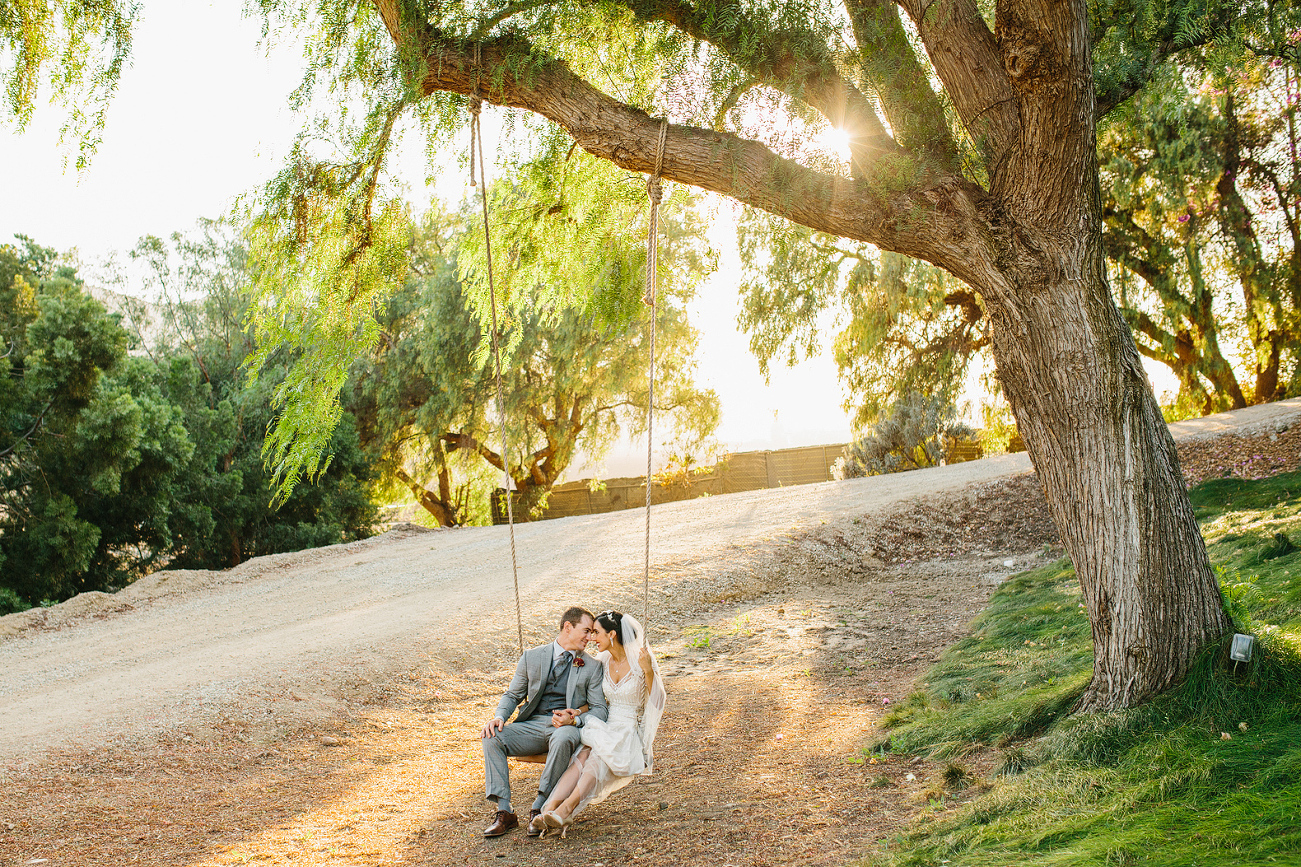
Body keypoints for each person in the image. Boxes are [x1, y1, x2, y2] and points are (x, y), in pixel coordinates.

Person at [531, 609, 666, 838]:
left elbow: (657, 700)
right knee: (580, 758)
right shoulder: (603, 660)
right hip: (604, 724)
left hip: (626, 730)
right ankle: (549, 809)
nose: (591, 638)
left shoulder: (640, 661)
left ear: (612, 634)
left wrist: (649, 671)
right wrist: (576, 713)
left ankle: (567, 809)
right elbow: (596, 701)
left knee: (595, 758)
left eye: (596, 633)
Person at [480, 606, 608, 838]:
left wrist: (576, 719)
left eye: (592, 633)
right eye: (586, 631)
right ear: (568, 627)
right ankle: (504, 811)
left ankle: (539, 808)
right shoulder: (532, 657)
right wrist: (499, 717)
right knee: (491, 736)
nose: (590, 637)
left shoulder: (592, 666)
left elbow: (600, 710)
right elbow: (512, 695)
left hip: (564, 729)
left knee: (563, 736)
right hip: (532, 725)